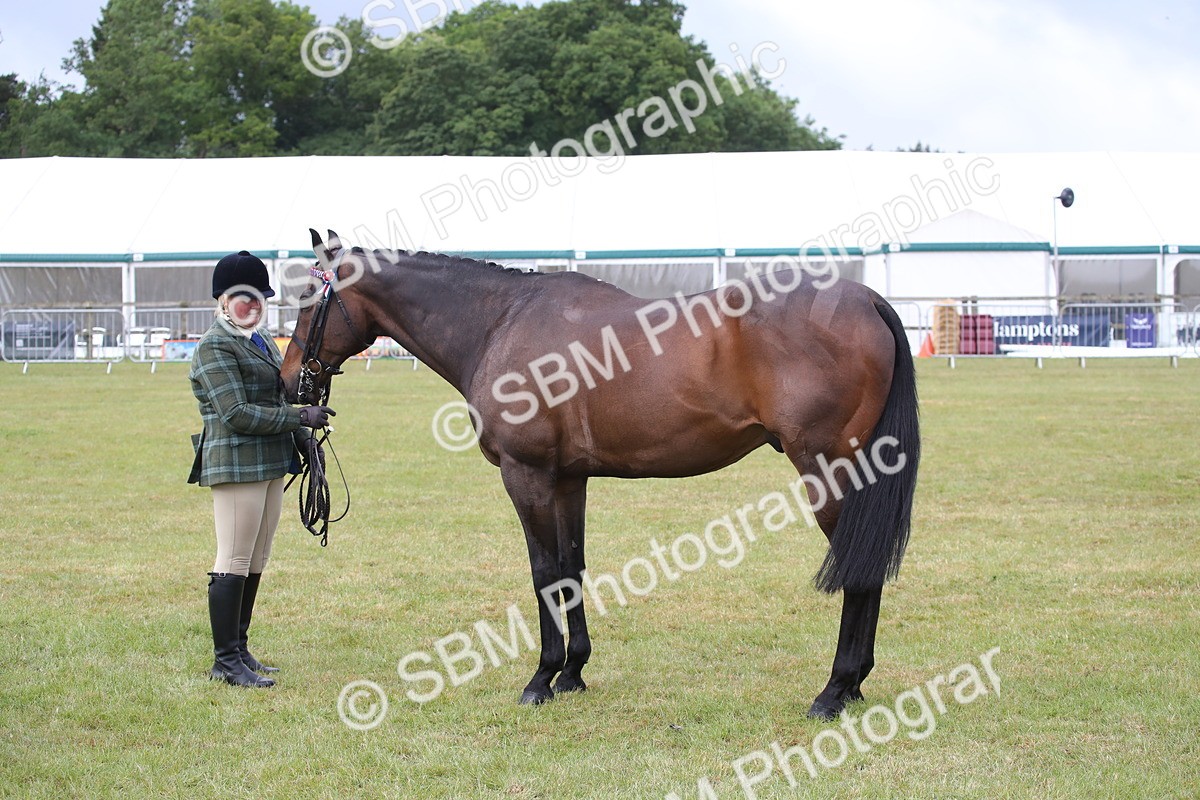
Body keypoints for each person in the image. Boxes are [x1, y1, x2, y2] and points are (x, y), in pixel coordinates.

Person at [187, 251, 334, 688]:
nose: (252, 306)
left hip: (270, 461)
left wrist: (303, 439)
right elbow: (237, 413)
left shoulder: (263, 340)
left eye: (259, 298)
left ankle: (241, 649)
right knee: (232, 556)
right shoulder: (215, 346)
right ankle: (224, 660)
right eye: (243, 299)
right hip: (235, 463)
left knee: (256, 557)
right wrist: (299, 419)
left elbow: (274, 401)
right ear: (223, 300)